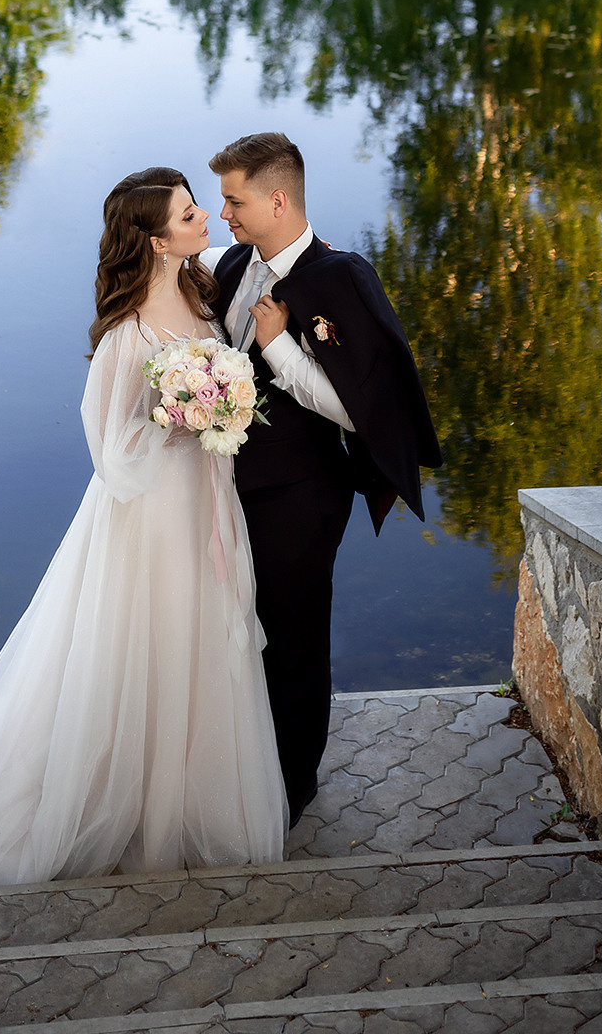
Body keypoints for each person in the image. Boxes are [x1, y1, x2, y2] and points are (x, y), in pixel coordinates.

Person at [0, 167, 286, 891]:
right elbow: (110, 450)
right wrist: (181, 417)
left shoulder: (202, 293)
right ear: (158, 243)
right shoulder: (129, 335)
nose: (204, 221)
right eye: (190, 215)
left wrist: (224, 403)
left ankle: (192, 800)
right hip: (149, 518)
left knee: (199, 638)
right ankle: (126, 803)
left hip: (203, 503)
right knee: (146, 644)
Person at [203, 131, 443, 823]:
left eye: (233, 200)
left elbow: (354, 408)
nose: (225, 214)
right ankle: (238, 767)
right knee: (236, 633)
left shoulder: (340, 278)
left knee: (293, 639)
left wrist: (277, 344)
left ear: (276, 199)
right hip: (229, 490)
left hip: (300, 496)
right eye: (220, 201)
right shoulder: (233, 266)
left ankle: (289, 787)